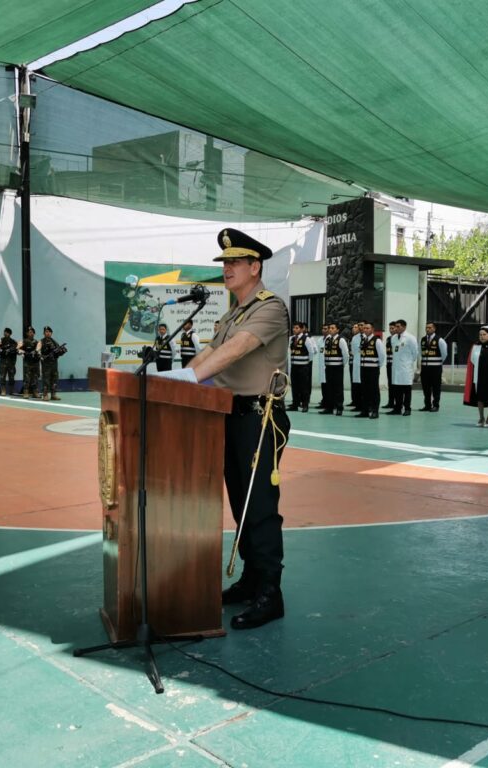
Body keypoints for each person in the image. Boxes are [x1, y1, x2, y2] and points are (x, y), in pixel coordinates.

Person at [181, 228, 290, 631]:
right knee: (240, 504)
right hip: (229, 415)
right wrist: (174, 380)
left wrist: (189, 381)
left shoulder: (270, 307)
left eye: (233, 262)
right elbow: (208, 353)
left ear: (254, 266)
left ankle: (270, 594)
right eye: (224, 263)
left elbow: (234, 351)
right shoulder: (233, 311)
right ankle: (250, 579)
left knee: (259, 507)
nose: (225, 269)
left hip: (260, 419)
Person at [317, 322, 348, 415]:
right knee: (329, 387)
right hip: (328, 367)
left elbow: (346, 354)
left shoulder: (341, 340)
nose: (330, 329)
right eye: (330, 328)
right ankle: (329, 407)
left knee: (338, 388)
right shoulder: (327, 340)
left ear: (338, 330)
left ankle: (339, 407)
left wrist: (341, 364)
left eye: (333, 328)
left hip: (337, 367)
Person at [388, 319, 418, 415]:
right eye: (395, 326)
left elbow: (415, 353)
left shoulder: (410, 338)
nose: (396, 328)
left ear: (404, 327)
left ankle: (407, 408)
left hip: (406, 368)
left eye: (398, 326)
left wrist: (407, 362)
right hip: (396, 368)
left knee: (406, 390)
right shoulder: (393, 338)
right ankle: (397, 408)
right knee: (397, 389)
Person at [356, 321, 385, 418]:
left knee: (374, 390)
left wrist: (376, 365)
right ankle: (365, 410)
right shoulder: (363, 340)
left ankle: (375, 410)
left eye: (368, 328)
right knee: (364, 390)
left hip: (373, 369)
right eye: (364, 328)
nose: (366, 330)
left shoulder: (377, 340)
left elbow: (382, 356)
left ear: (372, 329)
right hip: (363, 368)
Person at [286, 322, 316, 412]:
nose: (294, 329)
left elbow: (311, 352)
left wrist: (307, 362)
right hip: (294, 366)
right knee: (295, 386)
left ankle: (305, 404)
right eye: (293, 328)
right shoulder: (291, 339)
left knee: (304, 386)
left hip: (303, 366)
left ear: (302, 329)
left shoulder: (306, 339)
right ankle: (295, 404)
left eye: (297, 328)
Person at [419, 322, 447, 411]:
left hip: (435, 369)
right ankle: (427, 405)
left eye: (430, 328)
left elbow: (444, 354)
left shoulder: (440, 340)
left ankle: (436, 405)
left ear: (434, 329)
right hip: (425, 368)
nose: (427, 329)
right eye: (426, 327)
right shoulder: (423, 340)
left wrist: (437, 362)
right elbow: (420, 352)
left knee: (436, 387)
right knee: (425, 387)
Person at [39, 325, 66, 401]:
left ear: (51, 333)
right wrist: (42, 356)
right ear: (44, 333)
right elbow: (37, 351)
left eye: (49, 332)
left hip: (54, 363)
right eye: (46, 332)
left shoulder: (54, 342)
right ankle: (45, 394)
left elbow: (58, 352)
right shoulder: (41, 341)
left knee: (54, 378)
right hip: (46, 363)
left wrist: (61, 351)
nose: (47, 333)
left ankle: (53, 394)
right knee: (46, 379)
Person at [0, 327, 19, 395]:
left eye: (7, 332)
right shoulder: (0, 340)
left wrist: (11, 351)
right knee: (2, 376)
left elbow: (17, 350)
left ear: (10, 334)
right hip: (3, 361)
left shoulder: (13, 341)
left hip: (11, 362)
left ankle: (11, 390)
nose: (5, 333)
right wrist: (1, 350)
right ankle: (3, 390)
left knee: (12, 377)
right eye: (5, 332)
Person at [20, 326, 40, 397]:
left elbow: (39, 350)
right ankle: (26, 392)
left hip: (35, 362)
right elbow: (18, 349)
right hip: (27, 362)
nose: (31, 334)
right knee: (27, 378)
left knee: (35, 378)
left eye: (32, 332)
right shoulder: (24, 341)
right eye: (29, 332)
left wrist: (36, 352)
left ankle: (35, 392)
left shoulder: (37, 342)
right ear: (27, 333)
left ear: (34, 333)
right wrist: (23, 353)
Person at [349, 322, 362, 411]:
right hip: (355, 363)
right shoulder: (354, 338)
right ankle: (357, 403)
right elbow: (353, 352)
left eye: (356, 327)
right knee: (355, 384)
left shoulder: (371, 338)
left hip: (366, 364)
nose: (355, 328)